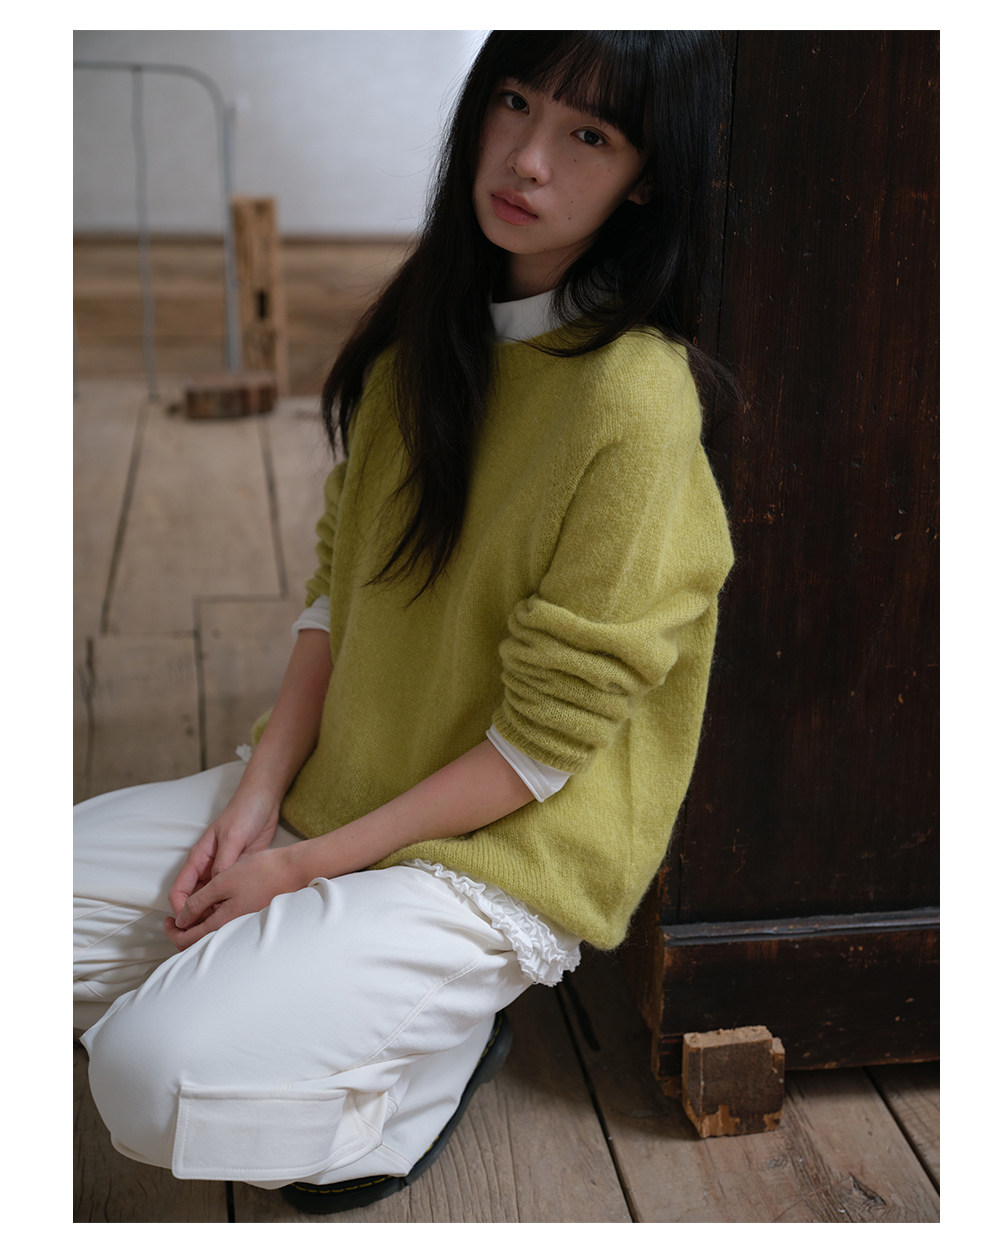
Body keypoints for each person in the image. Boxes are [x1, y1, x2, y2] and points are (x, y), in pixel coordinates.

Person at [74, 30, 735, 1214]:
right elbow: (339, 592)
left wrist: (296, 870)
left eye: (587, 134)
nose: (526, 159)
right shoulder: (430, 330)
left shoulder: (632, 400)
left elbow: (540, 749)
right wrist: (259, 801)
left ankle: (412, 1087)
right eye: (514, 103)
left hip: (496, 850)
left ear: (645, 177)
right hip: (344, 785)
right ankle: (287, 993)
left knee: (142, 1076)